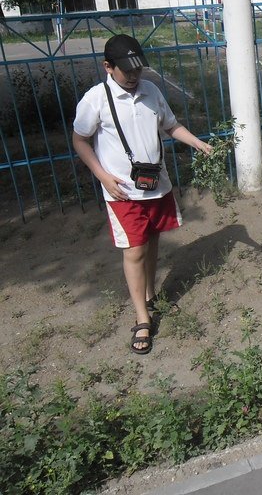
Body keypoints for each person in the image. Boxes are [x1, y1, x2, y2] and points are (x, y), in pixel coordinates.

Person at [72, 34, 212, 354]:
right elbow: (80, 140)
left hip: (156, 185)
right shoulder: (95, 100)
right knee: (134, 249)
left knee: (151, 241)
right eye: (127, 71)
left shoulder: (150, 91)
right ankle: (142, 318)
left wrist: (197, 143)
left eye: (138, 70)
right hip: (122, 191)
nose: (135, 76)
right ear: (108, 67)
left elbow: (171, 126)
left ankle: (150, 295)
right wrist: (103, 176)